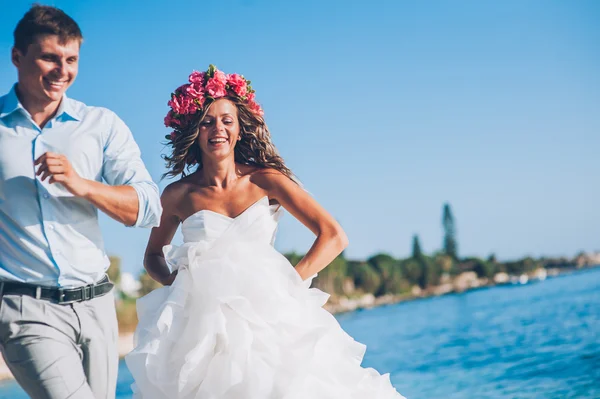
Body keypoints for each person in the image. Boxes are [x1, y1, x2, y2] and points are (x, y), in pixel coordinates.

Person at [125, 65, 405, 398]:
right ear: (194, 130)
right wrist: (177, 282)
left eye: (227, 120)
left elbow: (333, 236)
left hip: (272, 316)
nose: (218, 129)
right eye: (207, 121)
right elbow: (153, 255)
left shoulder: (266, 180)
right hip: (202, 327)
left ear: (240, 129)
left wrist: (291, 282)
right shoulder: (177, 194)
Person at [0, 5, 162, 399]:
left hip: (98, 306)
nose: (62, 70)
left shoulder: (101, 125)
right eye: (49, 57)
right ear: (17, 56)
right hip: (26, 310)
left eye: (71, 59)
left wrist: (81, 184)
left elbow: (146, 207)